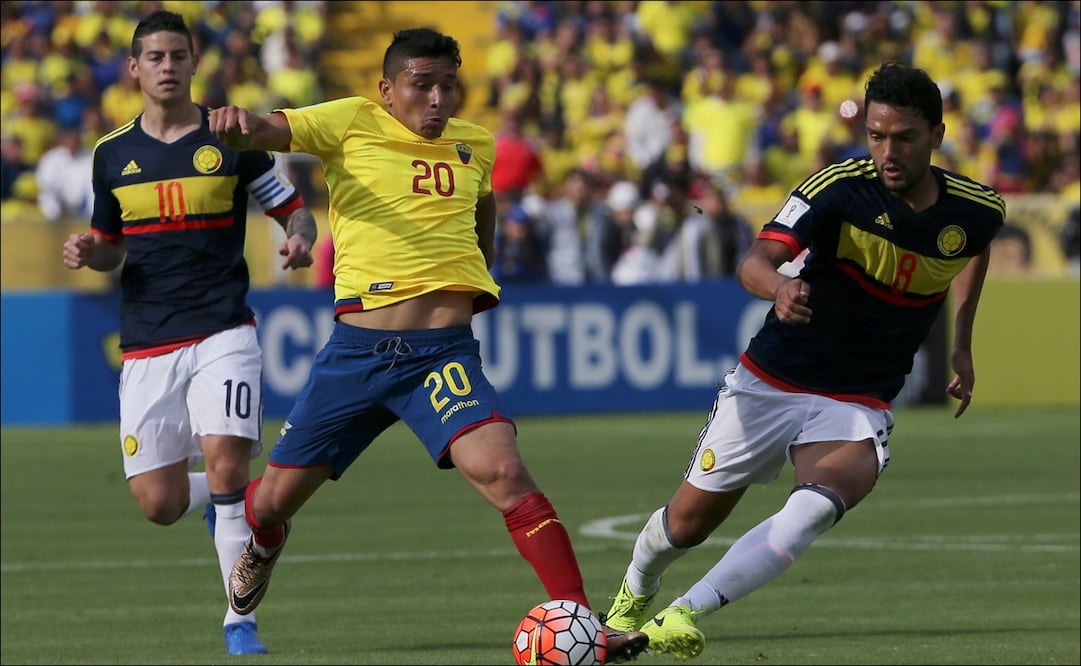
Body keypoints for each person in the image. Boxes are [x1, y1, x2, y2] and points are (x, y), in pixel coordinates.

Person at [207, 28, 649, 663]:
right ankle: (263, 536)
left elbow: (484, 213)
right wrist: (236, 125)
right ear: (387, 89)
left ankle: (583, 620)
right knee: (272, 501)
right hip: (357, 356)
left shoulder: (477, 145)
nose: (438, 98)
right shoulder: (351, 121)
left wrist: (479, 272)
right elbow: (269, 130)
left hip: (442, 356)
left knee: (505, 471)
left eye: (448, 85)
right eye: (422, 85)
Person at [602, 62, 1005, 659]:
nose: (887, 152)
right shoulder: (837, 188)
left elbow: (974, 249)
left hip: (860, 396)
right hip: (773, 379)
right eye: (876, 135)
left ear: (937, 135)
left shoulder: (977, 208)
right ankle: (634, 594)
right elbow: (755, 262)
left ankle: (684, 614)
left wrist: (962, 342)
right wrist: (779, 288)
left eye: (904, 137)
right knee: (685, 526)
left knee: (814, 509)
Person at [61, 10, 317, 657]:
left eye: (178, 55)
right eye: (155, 56)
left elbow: (291, 208)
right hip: (147, 339)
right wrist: (89, 253)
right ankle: (229, 500)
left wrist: (298, 241)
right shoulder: (112, 154)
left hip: (223, 329)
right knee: (159, 502)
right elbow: (111, 247)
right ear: (134, 68)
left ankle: (239, 621)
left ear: (194, 62)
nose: (167, 66)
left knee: (226, 464)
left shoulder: (229, 137)